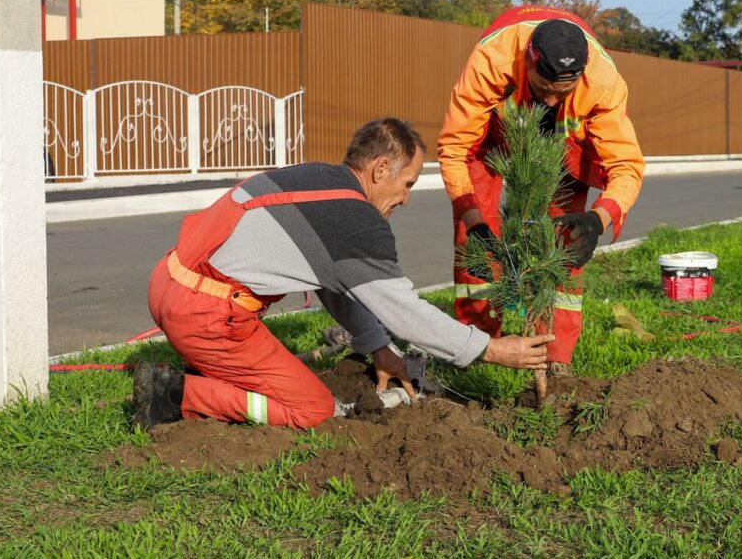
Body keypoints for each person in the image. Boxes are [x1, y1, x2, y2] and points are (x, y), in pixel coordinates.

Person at [133, 118, 553, 430]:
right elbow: (407, 314)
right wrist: (495, 351)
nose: (406, 199)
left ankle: (205, 369)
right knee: (312, 409)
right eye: (407, 183)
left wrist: (377, 347)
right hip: (205, 318)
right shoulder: (358, 222)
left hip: (167, 285)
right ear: (381, 169)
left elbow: (329, 281)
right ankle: (174, 395)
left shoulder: (315, 177)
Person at [438, 5, 645, 375]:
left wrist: (598, 219)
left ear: (579, 78)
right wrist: (474, 219)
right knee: (474, 240)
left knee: (564, 244)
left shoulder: (603, 83)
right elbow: (455, 149)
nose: (549, 101)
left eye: (560, 92)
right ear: (527, 64)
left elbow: (626, 166)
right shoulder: (492, 60)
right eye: (543, 88)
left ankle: (553, 356)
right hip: (494, 132)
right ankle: (477, 347)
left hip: (564, 142)